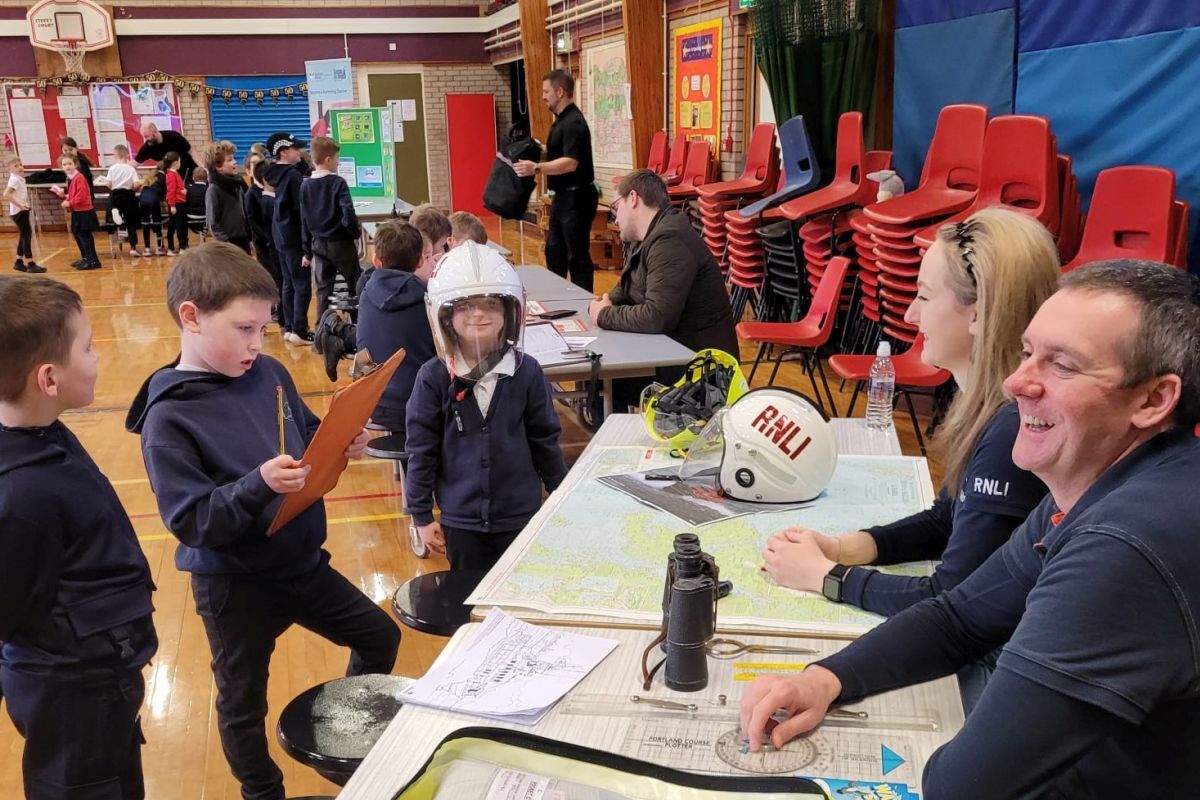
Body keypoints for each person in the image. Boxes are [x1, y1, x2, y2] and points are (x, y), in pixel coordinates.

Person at [740, 259, 1200, 797]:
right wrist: (825, 679)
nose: (1016, 382)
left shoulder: (1125, 544)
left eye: (1063, 366)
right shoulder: (1100, 488)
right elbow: (960, 617)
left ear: (1152, 400)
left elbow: (963, 788)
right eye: (1029, 353)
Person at [125, 243, 401, 800]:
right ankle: (262, 792)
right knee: (242, 701)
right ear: (191, 317)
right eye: (244, 329)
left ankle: (346, 742)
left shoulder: (269, 370)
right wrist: (258, 484)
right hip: (236, 585)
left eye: (263, 328)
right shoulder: (169, 418)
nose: (258, 344)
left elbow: (306, 428)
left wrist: (342, 438)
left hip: (301, 563)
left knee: (380, 636)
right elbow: (192, 522)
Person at [761, 208, 1057, 709]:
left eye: (923, 296)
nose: (911, 316)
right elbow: (948, 516)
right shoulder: (987, 408)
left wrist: (825, 577)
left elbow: (952, 600)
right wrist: (842, 546)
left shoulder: (1013, 430)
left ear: (979, 311)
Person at [0, 275, 157, 799]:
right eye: (87, 347)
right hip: (72, 692)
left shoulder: (42, 429)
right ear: (48, 377)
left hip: (98, 677)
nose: (97, 356)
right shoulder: (23, 495)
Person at [405, 242, 567, 569]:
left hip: (520, 516)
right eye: (465, 306)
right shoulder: (433, 378)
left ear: (509, 313)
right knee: (468, 599)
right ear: (445, 317)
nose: (478, 313)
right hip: (461, 523)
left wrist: (561, 498)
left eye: (490, 304)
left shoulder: (527, 372)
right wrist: (421, 515)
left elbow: (545, 441)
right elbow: (422, 450)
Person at [589, 168, 738, 409]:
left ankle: (616, 442)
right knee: (596, 376)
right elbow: (628, 288)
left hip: (699, 373)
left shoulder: (670, 240)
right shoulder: (651, 236)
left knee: (603, 380)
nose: (615, 218)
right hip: (674, 354)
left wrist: (604, 315)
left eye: (617, 206)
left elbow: (657, 317)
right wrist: (605, 303)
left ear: (634, 199)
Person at [514, 69, 598, 292]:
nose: (543, 96)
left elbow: (571, 162)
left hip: (577, 198)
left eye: (546, 91)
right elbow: (554, 152)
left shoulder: (574, 123)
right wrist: (530, 151)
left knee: (576, 256)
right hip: (562, 198)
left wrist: (536, 167)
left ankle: (584, 301)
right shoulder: (560, 122)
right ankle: (557, 297)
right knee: (554, 251)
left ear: (560, 91)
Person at [355, 221, 436, 439]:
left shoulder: (365, 295)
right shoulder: (428, 302)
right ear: (420, 260)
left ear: (376, 262)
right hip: (420, 404)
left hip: (374, 403)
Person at [300, 136, 361, 317]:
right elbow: (348, 212)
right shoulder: (338, 183)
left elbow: (303, 219)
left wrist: (306, 251)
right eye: (337, 158)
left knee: (323, 290)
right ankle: (358, 324)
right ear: (328, 160)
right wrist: (354, 232)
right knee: (354, 284)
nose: (338, 162)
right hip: (340, 243)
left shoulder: (305, 186)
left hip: (318, 243)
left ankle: (322, 329)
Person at [266, 131, 313, 344]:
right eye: (295, 149)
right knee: (301, 283)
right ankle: (300, 330)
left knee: (288, 283)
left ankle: (288, 326)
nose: (300, 152)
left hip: (281, 236)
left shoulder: (276, 175)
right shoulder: (292, 177)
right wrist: (306, 246)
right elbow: (301, 211)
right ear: (284, 152)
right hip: (294, 237)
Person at [244, 158, 282, 319]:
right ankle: (270, 309)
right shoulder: (252, 194)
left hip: (275, 244)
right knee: (270, 277)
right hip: (264, 245)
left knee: (278, 277)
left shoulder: (272, 192)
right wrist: (264, 240)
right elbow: (253, 221)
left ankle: (278, 308)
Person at [52, 153, 101, 270]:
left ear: (75, 164)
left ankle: (92, 261)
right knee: (77, 234)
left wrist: (69, 202)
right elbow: (75, 194)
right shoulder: (70, 178)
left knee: (84, 236)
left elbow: (82, 196)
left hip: (84, 211)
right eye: (64, 164)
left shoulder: (79, 177)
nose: (67, 166)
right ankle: (86, 258)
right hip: (78, 211)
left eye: (70, 163)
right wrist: (65, 195)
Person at [204, 143, 249, 252]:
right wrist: (227, 244)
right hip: (229, 245)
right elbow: (213, 223)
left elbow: (245, 213)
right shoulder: (214, 190)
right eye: (229, 160)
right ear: (218, 166)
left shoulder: (237, 184)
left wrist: (250, 239)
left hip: (243, 241)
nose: (234, 162)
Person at [102, 144, 142, 259]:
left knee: (113, 212)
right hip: (128, 195)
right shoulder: (131, 169)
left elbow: (108, 184)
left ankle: (116, 215)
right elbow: (136, 184)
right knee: (131, 222)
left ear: (115, 155)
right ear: (127, 155)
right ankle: (133, 248)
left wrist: (114, 187)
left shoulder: (112, 168)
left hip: (115, 195)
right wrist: (133, 187)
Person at [5, 157, 42, 273]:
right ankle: (30, 263)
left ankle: (19, 262)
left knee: (23, 235)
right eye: (15, 166)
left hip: (21, 210)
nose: (20, 167)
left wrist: (23, 204)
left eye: (20, 164)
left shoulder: (19, 178)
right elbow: (6, 194)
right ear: (9, 169)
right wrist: (20, 205)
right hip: (19, 212)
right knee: (27, 235)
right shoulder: (14, 180)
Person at [137, 163, 166, 257]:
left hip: (143, 199)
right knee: (157, 223)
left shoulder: (151, 176)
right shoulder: (164, 177)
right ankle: (159, 248)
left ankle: (147, 249)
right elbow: (165, 192)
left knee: (146, 224)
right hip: (154, 200)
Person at [163, 151, 188, 255]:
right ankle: (181, 247)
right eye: (179, 161)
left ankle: (171, 248)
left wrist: (183, 191)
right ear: (175, 162)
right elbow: (171, 191)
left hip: (178, 203)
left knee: (173, 226)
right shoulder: (171, 175)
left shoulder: (174, 174)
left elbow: (177, 188)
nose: (180, 163)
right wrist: (172, 205)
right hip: (176, 204)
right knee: (178, 226)